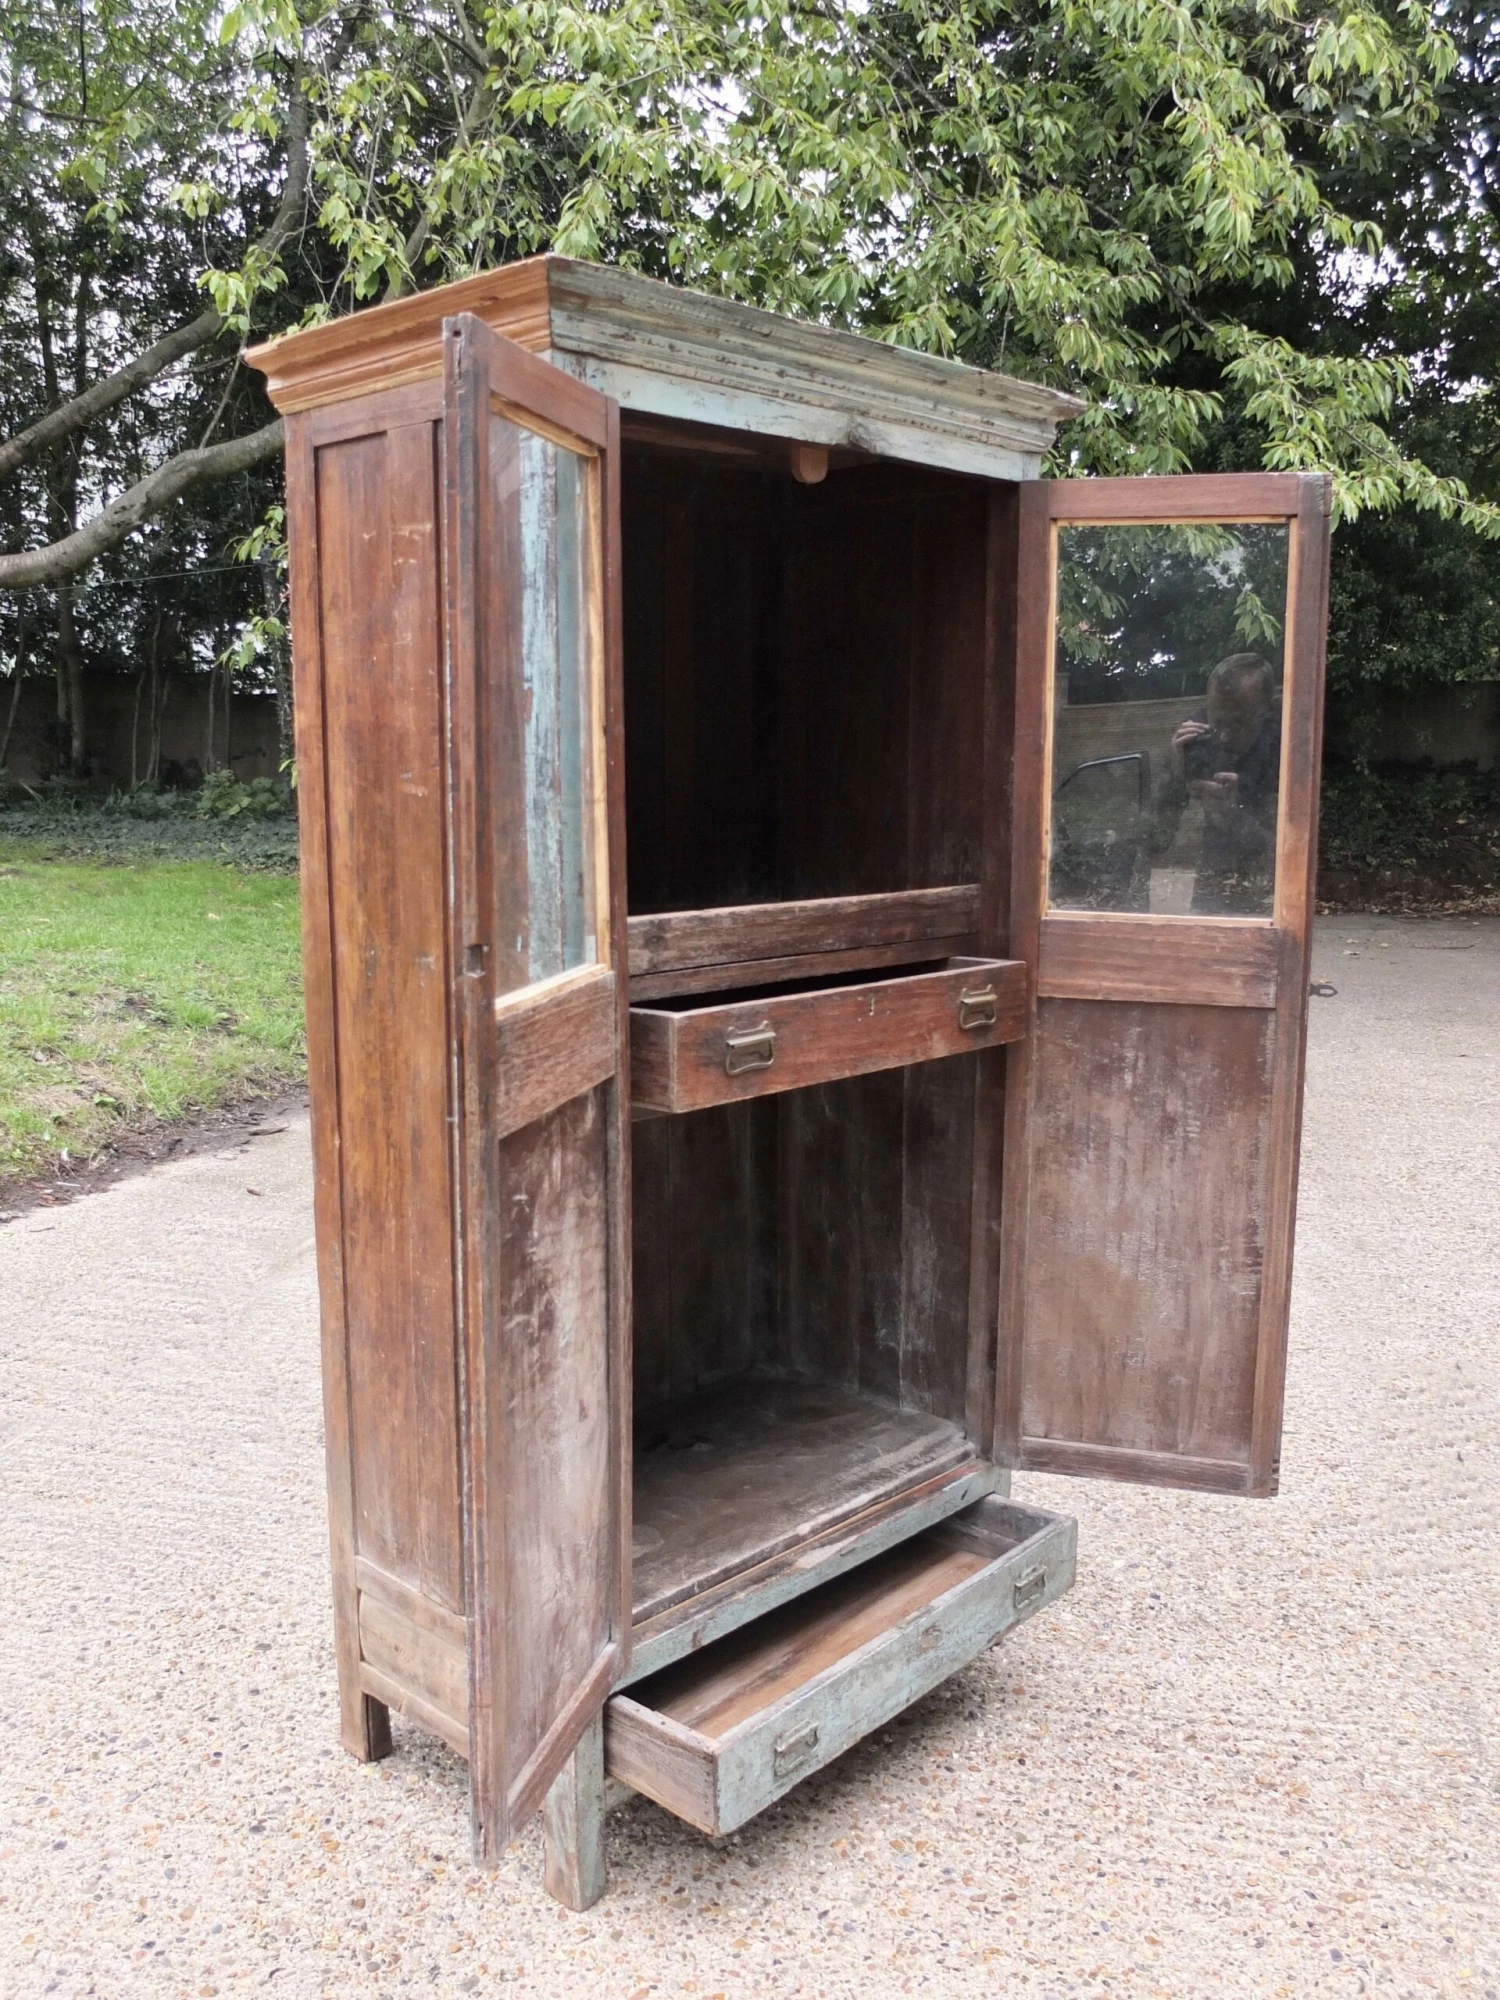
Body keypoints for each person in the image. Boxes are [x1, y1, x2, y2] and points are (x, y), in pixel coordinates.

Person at [1151, 651, 1281, 912]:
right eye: (1217, 722)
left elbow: (1285, 856)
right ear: (1208, 707)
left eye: (1239, 723)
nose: (1225, 736)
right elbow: (1156, 839)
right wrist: (1176, 776)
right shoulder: (1195, 738)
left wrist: (1232, 815)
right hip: (1211, 882)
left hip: (1271, 898)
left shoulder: (1283, 746)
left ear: (1267, 710)